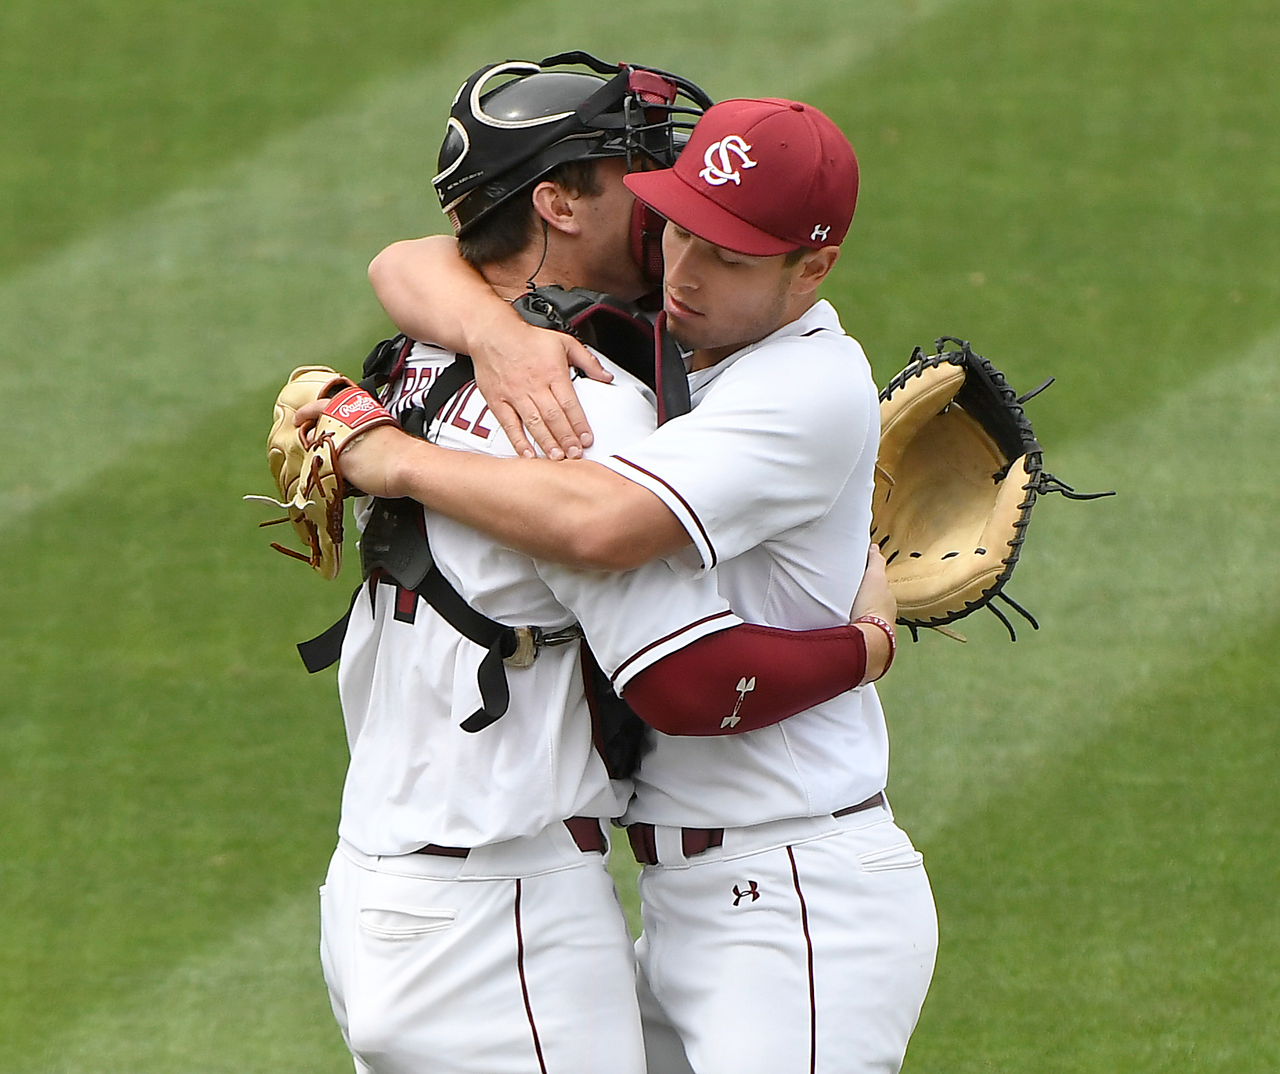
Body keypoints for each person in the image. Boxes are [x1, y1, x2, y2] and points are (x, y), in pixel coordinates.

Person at [313, 58, 901, 1074]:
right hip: (500, 917)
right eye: (650, 182)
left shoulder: (412, 357)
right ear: (555, 202)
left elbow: (412, 261)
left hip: (380, 889)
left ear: (807, 269)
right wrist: (869, 642)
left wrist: (399, 437)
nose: (671, 237)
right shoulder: (578, 401)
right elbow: (671, 662)